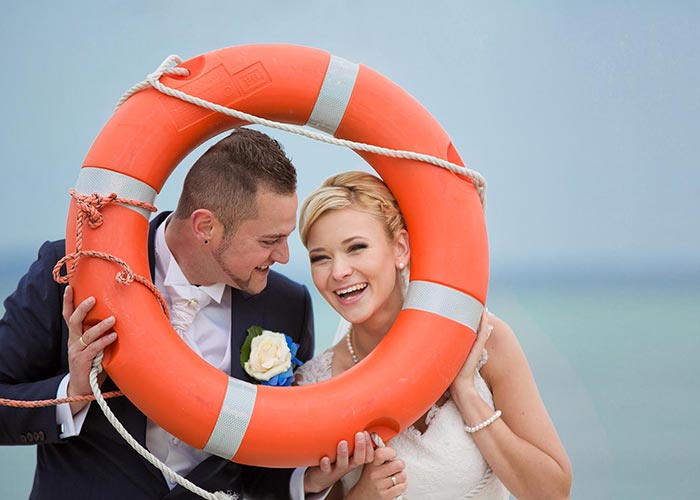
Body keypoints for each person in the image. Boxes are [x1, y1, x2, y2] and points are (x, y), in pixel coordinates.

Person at [0, 128, 317, 500]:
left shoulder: (288, 305)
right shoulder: (74, 270)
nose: (284, 257)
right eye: (269, 241)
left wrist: (311, 481)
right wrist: (73, 392)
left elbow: (265, 464)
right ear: (205, 227)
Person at [296, 171, 572, 500]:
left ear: (400, 248)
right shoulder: (316, 385)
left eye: (356, 248)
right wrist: (364, 495)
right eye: (320, 258)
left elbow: (552, 492)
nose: (338, 271)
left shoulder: (485, 343)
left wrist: (466, 392)